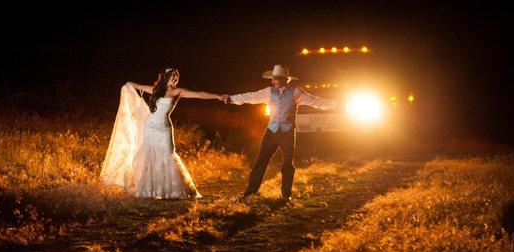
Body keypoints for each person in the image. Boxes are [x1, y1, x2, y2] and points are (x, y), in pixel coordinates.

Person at [100, 67, 226, 199]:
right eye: (173, 76)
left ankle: (171, 190)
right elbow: (135, 85)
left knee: (168, 153)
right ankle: (149, 190)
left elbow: (199, 94)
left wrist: (217, 96)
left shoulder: (178, 91)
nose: (176, 79)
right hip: (150, 126)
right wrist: (127, 86)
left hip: (164, 127)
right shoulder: (156, 90)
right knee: (150, 155)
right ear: (166, 77)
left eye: (177, 77)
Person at [224, 64, 337, 202]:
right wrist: (231, 98)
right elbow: (250, 97)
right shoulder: (268, 92)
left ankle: (286, 195)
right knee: (261, 162)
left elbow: (316, 102)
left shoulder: (296, 92)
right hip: (271, 132)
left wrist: (337, 104)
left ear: (284, 79)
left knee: (287, 164)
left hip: (287, 133)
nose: (272, 81)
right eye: (272, 79)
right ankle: (250, 193)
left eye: (275, 79)